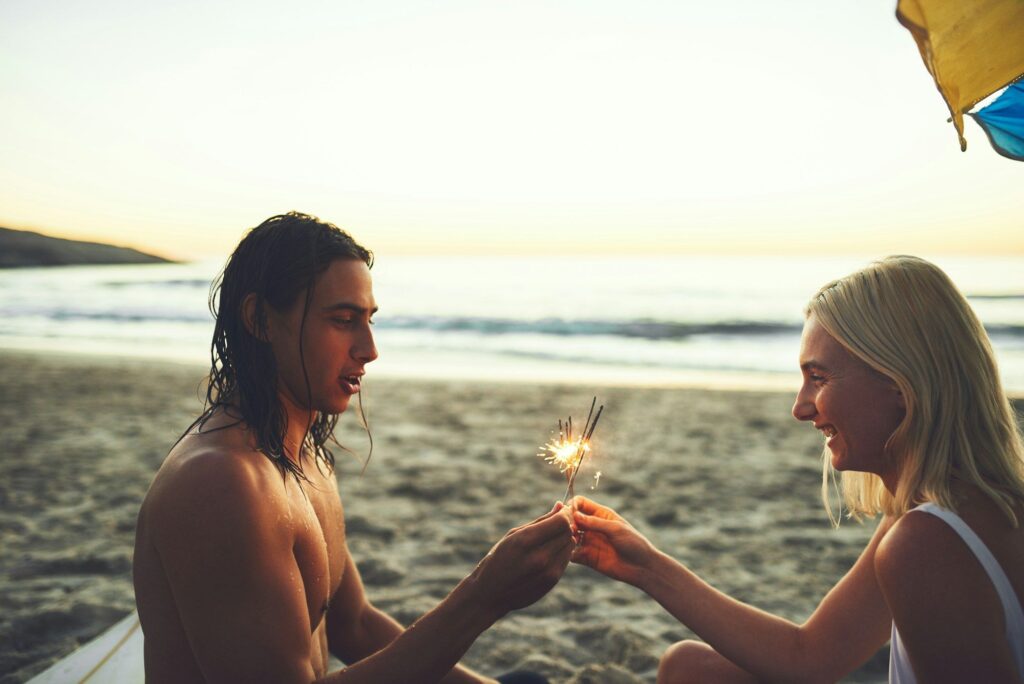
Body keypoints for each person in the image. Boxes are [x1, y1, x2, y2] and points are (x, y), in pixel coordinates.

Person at [133, 212, 573, 683]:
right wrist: (483, 597)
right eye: (343, 320)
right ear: (260, 319)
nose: (369, 348)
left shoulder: (305, 456)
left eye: (368, 320)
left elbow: (355, 624)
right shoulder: (220, 482)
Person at [570, 255, 1024, 683]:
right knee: (690, 667)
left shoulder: (926, 542)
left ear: (900, 384)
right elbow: (811, 656)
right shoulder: (942, 512)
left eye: (819, 378)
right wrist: (645, 565)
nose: (800, 408)